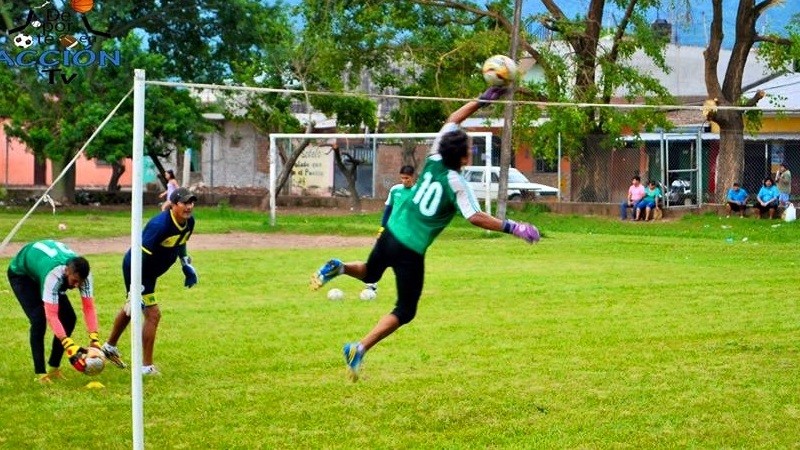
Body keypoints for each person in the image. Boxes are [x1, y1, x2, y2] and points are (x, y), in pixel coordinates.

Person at [309, 86, 540, 381]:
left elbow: (454, 118)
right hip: (410, 249)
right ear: (465, 159)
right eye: (469, 149)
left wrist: (483, 99)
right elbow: (475, 217)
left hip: (391, 231)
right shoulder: (456, 182)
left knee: (369, 273)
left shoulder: (433, 155)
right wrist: (515, 227)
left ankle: (339, 267)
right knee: (405, 310)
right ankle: (359, 347)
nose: (471, 150)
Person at [102, 187, 199, 375]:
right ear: (173, 205)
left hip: (151, 271)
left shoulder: (189, 222)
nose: (189, 206)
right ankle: (146, 367)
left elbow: (181, 241)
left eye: (191, 202)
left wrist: (185, 264)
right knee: (153, 314)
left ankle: (109, 346)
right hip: (138, 268)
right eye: (185, 203)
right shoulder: (159, 226)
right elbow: (140, 256)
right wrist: (135, 289)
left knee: (133, 309)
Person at [7, 240, 105, 383]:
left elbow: (89, 308)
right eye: (75, 281)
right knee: (39, 319)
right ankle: (40, 373)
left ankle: (54, 368)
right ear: (67, 271)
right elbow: (51, 315)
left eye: (81, 282)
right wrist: (68, 344)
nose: (77, 285)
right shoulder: (54, 274)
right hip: (23, 275)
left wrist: (94, 339)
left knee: (69, 318)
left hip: (42, 269)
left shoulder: (85, 276)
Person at [363, 165, 417, 295]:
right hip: (391, 230)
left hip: (407, 233)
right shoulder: (395, 190)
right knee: (378, 256)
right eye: (402, 178)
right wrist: (382, 228)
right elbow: (387, 211)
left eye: (407, 178)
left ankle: (409, 289)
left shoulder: (419, 192)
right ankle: (371, 284)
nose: (404, 181)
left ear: (413, 177)